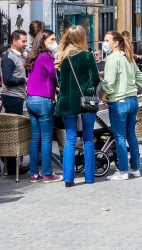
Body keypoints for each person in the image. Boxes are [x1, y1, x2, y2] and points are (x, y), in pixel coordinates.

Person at [55, 25, 101, 187]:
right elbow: (95, 79)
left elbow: (59, 82)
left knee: (70, 138)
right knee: (88, 137)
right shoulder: (87, 56)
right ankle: (89, 176)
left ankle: (68, 178)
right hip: (87, 99)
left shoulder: (61, 56)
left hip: (67, 100)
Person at [101, 31, 142, 181]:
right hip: (132, 99)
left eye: (107, 40)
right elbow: (140, 77)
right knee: (131, 135)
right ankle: (135, 168)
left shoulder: (112, 59)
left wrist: (105, 94)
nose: (104, 43)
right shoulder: (128, 57)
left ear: (116, 43)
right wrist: (132, 87)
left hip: (119, 101)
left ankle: (123, 171)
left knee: (119, 137)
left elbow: (109, 82)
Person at [25, 29, 60, 183]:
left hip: (31, 100)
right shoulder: (46, 57)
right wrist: (58, 87)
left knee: (35, 139)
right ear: (44, 41)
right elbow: (54, 75)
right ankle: (47, 173)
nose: (54, 42)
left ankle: (34, 173)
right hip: (44, 100)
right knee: (46, 139)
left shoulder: (32, 56)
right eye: (51, 40)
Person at [1, 30, 29, 115]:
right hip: (12, 97)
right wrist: (25, 80)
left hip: (17, 96)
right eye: (23, 41)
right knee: (15, 127)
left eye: (26, 41)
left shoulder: (18, 56)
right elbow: (7, 80)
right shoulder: (9, 57)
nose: (26, 44)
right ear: (14, 42)